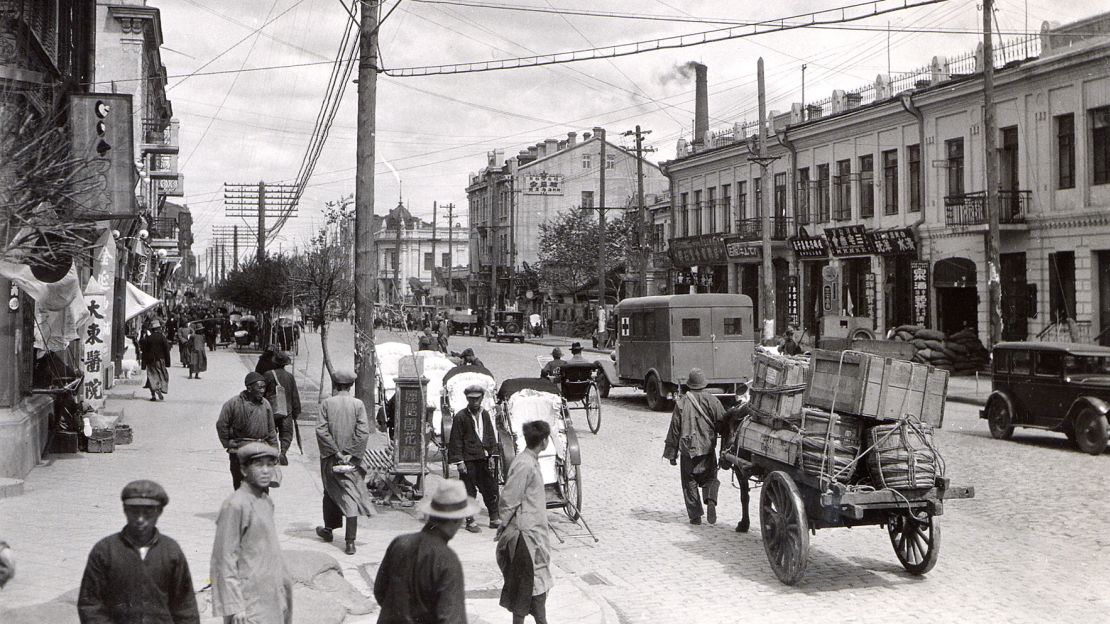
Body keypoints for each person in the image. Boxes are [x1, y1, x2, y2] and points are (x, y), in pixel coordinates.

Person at [77, 480, 199, 623]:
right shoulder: (105, 551)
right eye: (134, 512)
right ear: (125, 510)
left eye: (148, 513)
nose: (140, 519)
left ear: (159, 512)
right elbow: (90, 605)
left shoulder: (171, 551)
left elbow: (185, 606)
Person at [210, 443, 293, 624]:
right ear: (244, 469)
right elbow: (223, 558)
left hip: (270, 596)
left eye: (269, 465)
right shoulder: (235, 505)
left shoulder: (265, 501)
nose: (265, 470)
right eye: (258, 465)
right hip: (248, 604)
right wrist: (235, 606)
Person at [373, 480, 477, 624]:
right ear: (456, 520)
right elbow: (452, 619)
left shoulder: (399, 543)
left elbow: (380, 591)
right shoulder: (447, 560)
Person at [496, 420, 553, 624]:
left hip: (533, 534)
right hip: (525, 538)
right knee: (532, 591)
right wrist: (504, 526)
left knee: (526, 591)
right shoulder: (524, 464)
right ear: (544, 441)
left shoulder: (529, 460)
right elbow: (510, 499)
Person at [315, 369, 374, 556]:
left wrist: (336, 452)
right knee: (350, 495)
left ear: (336, 385)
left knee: (329, 492)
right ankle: (350, 542)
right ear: (350, 386)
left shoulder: (326, 404)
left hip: (331, 457)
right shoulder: (358, 405)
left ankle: (329, 530)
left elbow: (321, 430)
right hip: (351, 460)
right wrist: (349, 453)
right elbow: (363, 432)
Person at [662, 368, 728, 525]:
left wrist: (672, 455)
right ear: (703, 384)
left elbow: (675, 429)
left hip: (688, 451)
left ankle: (695, 516)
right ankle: (710, 500)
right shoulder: (713, 401)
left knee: (689, 483)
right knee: (710, 478)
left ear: (689, 385)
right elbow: (723, 423)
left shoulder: (681, 403)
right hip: (707, 448)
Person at [447, 384, 501, 533]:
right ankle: (470, 521)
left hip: (483, 458)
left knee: (490, 488)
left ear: (482, 398)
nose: (474, 402)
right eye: (471, 399)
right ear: (467, 399)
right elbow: (456, 440)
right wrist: (459, 462)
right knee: (469, 491)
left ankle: (494, 517)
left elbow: (490, 434)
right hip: (468, 460)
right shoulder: (460, 417)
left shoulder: (485, 415)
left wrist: (491, 454)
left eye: (477, 398)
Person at [216, 372, 279, 490]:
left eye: (264, 387)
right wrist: (227, 443)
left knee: (262, 489)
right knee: (241, 487)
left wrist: (275, 450)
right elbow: (221, 425)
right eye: (259, 387)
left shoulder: (265, 404)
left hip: (261, 452)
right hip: (239, 453)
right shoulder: (233, 403)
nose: (262, 391)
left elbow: (271, 430)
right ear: (249, 388)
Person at [264, 351, 301, 465]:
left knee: (271, 432)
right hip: (287, 410)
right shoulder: (290, 377)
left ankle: (274, 453)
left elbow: (262, 392)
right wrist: (296, 411)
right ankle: (283, 452)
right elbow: (295, 395)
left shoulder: (268, 375)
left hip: (271, 410)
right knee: (286, 433)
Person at [140, 320, 172, 402]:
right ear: (159, 328)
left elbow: (144, 352)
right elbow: (166, 350)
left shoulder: (148, 338)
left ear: (152, 329)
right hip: (160, 360)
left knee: (151, 377)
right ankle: (160, 388)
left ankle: (153, 395)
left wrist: (143, 365)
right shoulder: (162, 337)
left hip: (150, 361)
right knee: (161, 375)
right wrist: (168, 362)